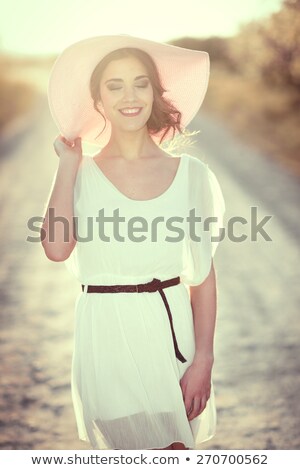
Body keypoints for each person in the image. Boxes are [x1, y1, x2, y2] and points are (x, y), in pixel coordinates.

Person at [42, 35, 226, 450]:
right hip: (106, 335)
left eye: (141, 83)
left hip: (171, 331)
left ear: (154, 93)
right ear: (98, 100)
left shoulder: (190, 174)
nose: (130, 96)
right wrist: (67, 168)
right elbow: (55, 249)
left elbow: (203, 276)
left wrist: (204, 360)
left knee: (175, 452)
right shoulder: (80, 172)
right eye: (115, 85)